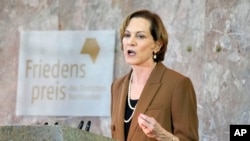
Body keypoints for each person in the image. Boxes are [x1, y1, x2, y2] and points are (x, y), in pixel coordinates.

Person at [110, 9, 199, 141]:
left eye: (140, 36)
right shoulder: (117, 86)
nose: (131, 42)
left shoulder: (178, 84)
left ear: (157, 45)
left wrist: (163, 136)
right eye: (127, 35)